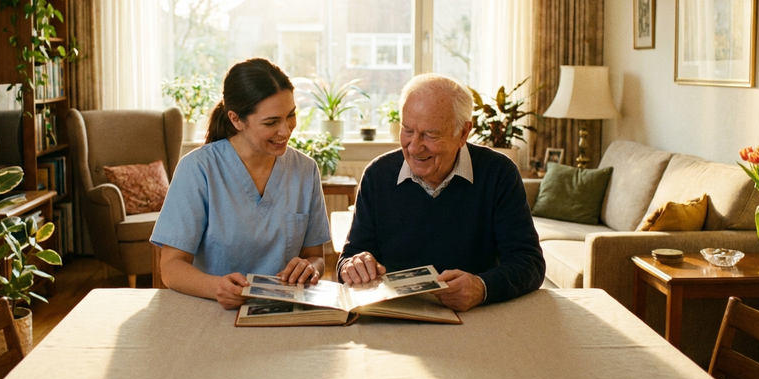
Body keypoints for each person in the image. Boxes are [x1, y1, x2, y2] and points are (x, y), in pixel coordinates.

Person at [337, 74, 544, 311]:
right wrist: (352, 266)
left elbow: (530, 263)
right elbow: (350, 258)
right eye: (407, 130)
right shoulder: (377, 175)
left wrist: (482, 287)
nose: (414, 147)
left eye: (430, 135)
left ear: (463, 133)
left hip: (476, 319)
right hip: (396, 318)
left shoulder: (499, 173)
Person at [151, 58, 330, 309]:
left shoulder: (305, 170)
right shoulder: (198, 170)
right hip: (212, 310)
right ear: (236, 120)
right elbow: (170, 268)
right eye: (271, 122)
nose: (286, 131)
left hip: (284, 312)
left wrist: (309, 268)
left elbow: (315, 257)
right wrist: (216, 288)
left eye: (290, 116)